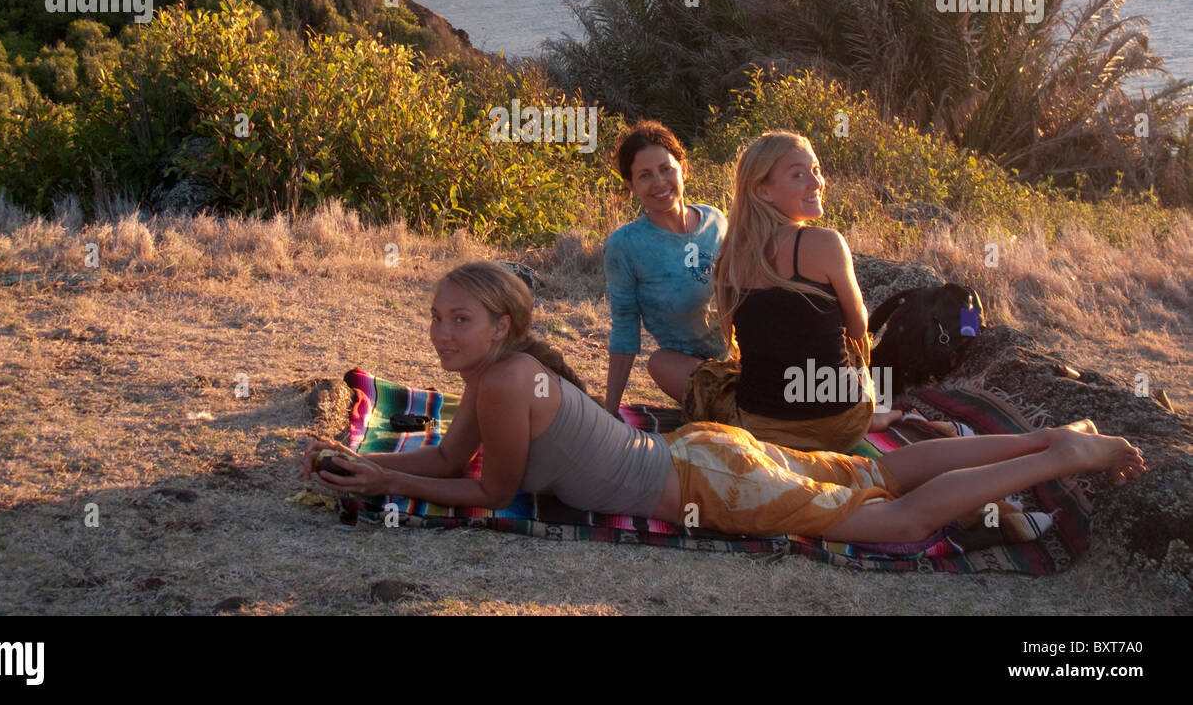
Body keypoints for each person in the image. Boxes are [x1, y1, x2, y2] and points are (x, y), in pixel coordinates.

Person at [299, 262, 1145, 544]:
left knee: (896, 520)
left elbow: (488, 491)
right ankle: (1048, 438)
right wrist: (369, 462)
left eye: (461, 320)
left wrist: (384, 488)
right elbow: (451, 457)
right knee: (871, 472)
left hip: (713, 487)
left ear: (504, 324)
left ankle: (1065, 453)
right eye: (438, 319)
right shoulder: (500, 374)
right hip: (703, 452)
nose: (443, 334)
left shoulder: (509, 382)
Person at [687, 131, 902, 453]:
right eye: (798, 174)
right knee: (851, 344)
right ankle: (871, 411)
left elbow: (740, 343)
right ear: (764, 190)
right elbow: (860, 329)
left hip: (762, 429)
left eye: (815, 169)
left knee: (708, 378)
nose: (816, 182)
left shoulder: (731, 255)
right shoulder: (826, 243)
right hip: (840, 423)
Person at [602, 121, 728, 415]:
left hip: (745, 356)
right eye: (645, 176)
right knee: (658, 362)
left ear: (683, 168)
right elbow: (624, 327)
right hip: (691, 371)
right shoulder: (626, 245)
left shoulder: (716, 221)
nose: (659, 182)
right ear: (631, 186)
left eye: (666, 169)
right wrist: (609, 410)